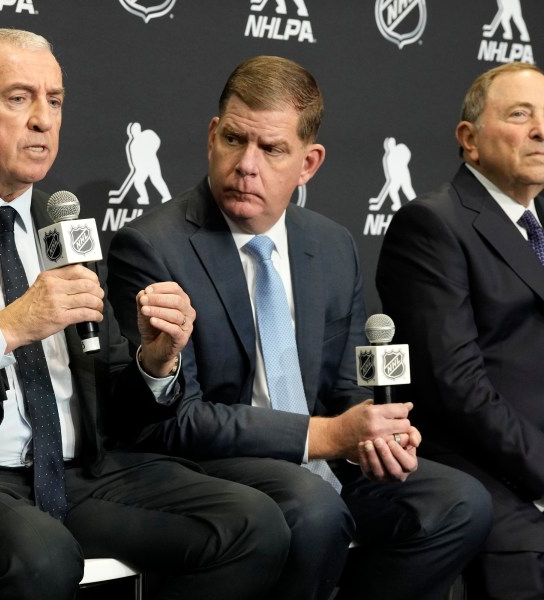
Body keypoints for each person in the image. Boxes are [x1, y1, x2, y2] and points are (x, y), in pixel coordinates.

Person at [107, 54, 493, 600]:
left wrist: (374, 436)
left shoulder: (332, 245)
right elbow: (175, 421)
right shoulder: (152, 247)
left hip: (318, 462)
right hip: (211, 469)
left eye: (271, 149)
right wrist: (329, 435)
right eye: (235, 140)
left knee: (458, 502)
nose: (247, 163)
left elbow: (345, 387)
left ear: (308, 163)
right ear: (212, 135)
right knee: (313, 510)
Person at [0, 28, 293, 600]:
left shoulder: (64, 222)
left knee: (252, 524)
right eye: (19, 98)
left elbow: (111, 395)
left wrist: (155, 362)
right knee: (42, 556)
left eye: (54, 101)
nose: (43, 120)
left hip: (79, 471)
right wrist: (10, 327)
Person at [376, 61, 544, 599]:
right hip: (496, 491)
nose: (542, 130)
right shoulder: (433, 225)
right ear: (468, 139)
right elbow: (457, 387)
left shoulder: (538, 229)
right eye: (521, 115)